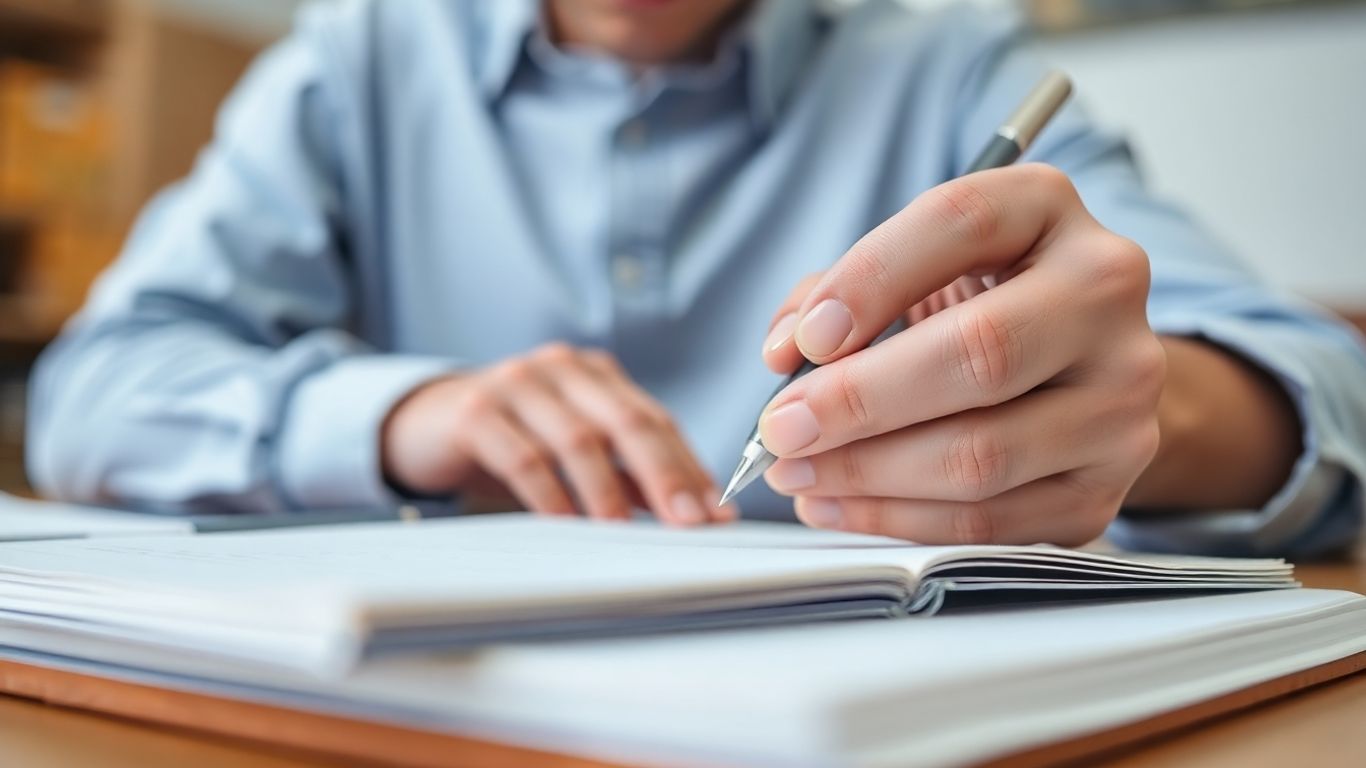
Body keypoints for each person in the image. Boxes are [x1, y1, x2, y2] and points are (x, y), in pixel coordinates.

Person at [26, 0, 1366, 555]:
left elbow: (1328, 398)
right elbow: (90, 390)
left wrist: (1155, 418)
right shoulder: (361, 57)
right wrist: (397, 417)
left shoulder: (946, 69)